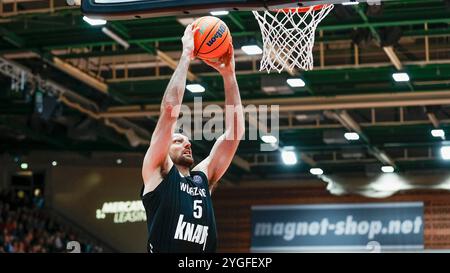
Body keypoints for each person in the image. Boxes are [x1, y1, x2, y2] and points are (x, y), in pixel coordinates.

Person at [141, 23, 244, 253]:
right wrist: (186, 55)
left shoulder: (202, 178)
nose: (186, 143)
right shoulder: (157, 173)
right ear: (162, 149)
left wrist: (229, 75)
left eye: (187, 140)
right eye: (177, 140)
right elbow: (169, 111)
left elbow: (235, 133)